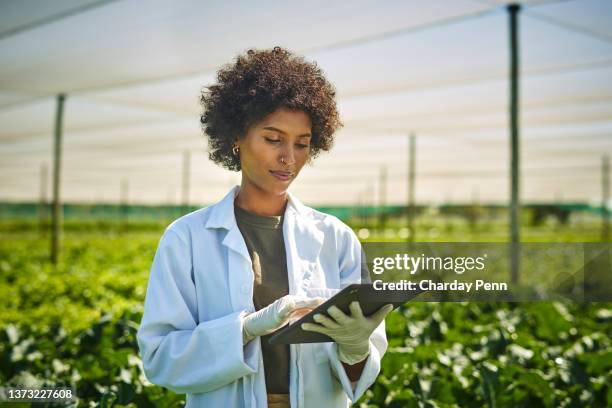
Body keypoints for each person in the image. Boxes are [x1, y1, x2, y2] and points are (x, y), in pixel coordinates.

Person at [136, 47, 393, 408]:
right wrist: (243, 330)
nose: (289, 157)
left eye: (302, 144)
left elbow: (360, 371)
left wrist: (355, 347)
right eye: (273, 139)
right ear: (236, 137)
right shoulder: (186, 239)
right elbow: (160, 358)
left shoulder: (336, 238)